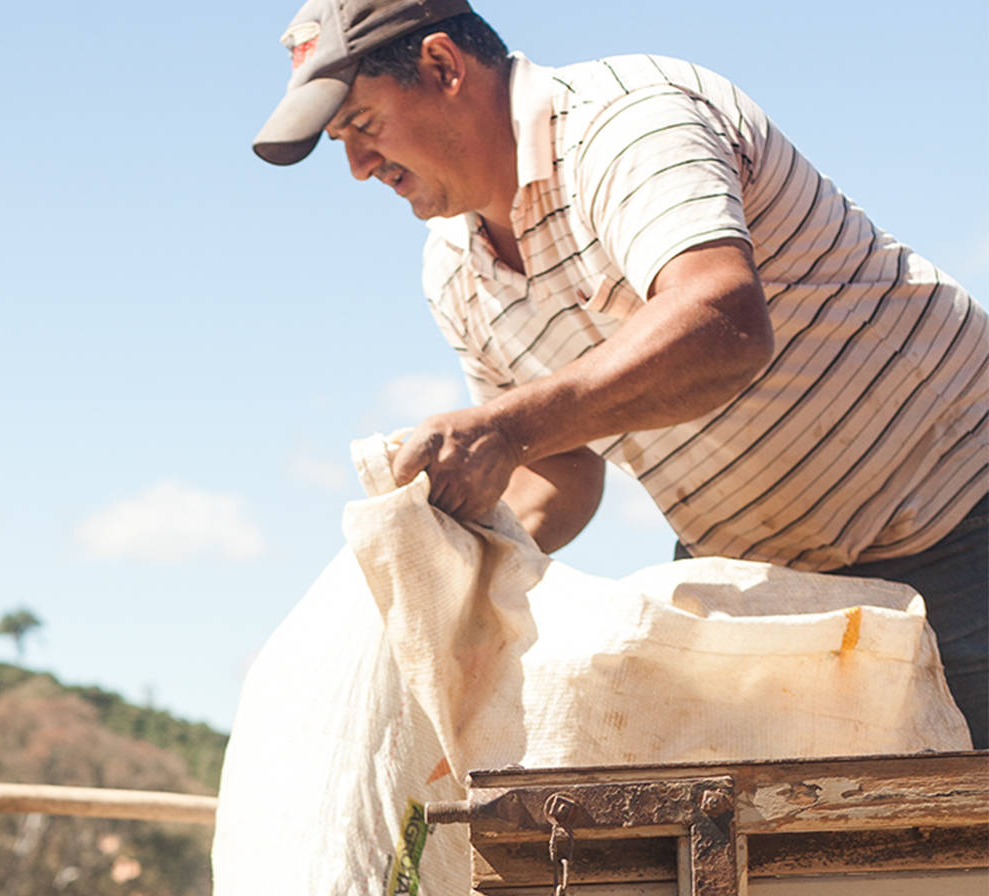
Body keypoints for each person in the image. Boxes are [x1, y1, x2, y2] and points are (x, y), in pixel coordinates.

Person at [252, 0, 987, 747]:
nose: (358, 168)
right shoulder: (455, 273)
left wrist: (506, 430)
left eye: (364, 126)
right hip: (777, 591)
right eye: (343, 142)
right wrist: (450, 558)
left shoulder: (626, 121)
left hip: (959, 512)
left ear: (443, 66)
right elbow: (560, 468)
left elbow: (721, 323)